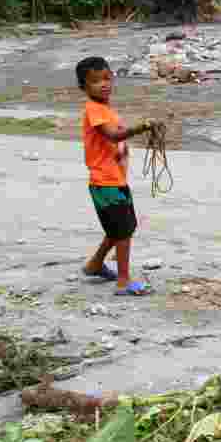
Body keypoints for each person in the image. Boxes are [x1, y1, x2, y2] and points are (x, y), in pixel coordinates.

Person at [76, 56, 157, 296]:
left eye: (107, 78)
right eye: (95, 81)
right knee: (122, 232)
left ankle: (95, 265)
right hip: (105, 181)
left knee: (120, 228)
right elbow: (113, 135)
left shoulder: (105, 109)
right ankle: (123, 281)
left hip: (115, 179)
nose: (104, 84)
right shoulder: (94, 110)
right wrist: (142, 126)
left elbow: (117, 135)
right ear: (83, 87)